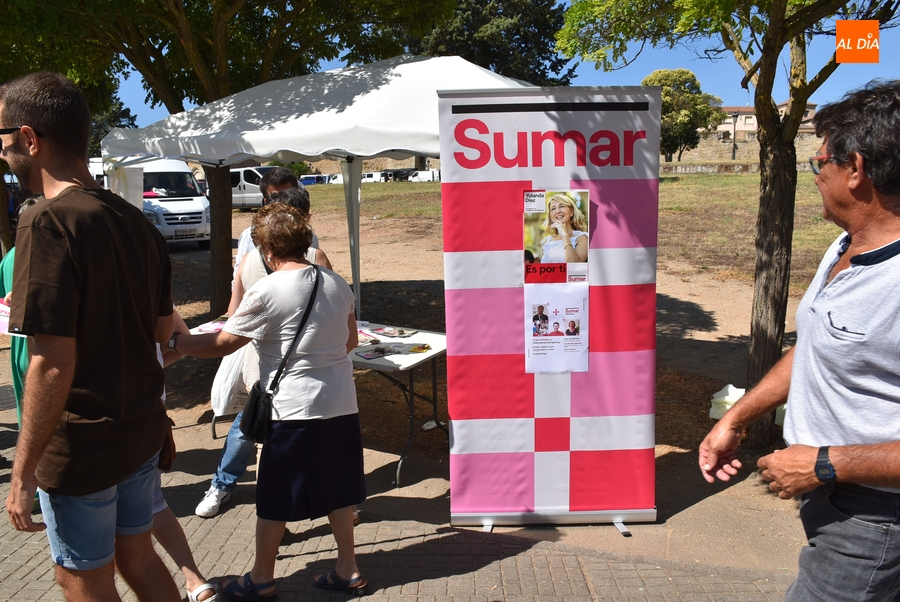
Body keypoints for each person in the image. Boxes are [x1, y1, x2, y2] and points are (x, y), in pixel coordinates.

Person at [698, 80, 900, 601]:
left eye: (818, 165)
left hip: (875, 522)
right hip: (833, 504)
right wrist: (735, 419)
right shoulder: (846, 244)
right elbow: (815, 348)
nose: (814, 178)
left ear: (855, 169)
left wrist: (824, 463)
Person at [1, 73, 180, 600]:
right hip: (139, 430)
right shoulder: (138, 223)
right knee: (139, 557)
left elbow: (51, 362)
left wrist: (22, 470)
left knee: (81, 577)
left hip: (83, 447)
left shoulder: (45, 222)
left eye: (5, 142)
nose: (5, 155)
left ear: (32, 139)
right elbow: (163, 332)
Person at [175, 203, 367, 600]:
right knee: (340, 489)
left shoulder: (267, 289)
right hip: (340, 404)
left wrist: (179, 343)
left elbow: (225, 342)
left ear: (266, 249)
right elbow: (351, 341)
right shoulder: (337, 283)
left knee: (275, 495)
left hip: (293, 411)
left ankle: (261, 578)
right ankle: (347, 568)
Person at [196, 189, 333, 519]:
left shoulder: (251, 260)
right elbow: (332, 313)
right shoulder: (316, 258)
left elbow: (233, 314)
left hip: (269, 367)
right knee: (278, 432)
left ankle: (224, 487)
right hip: (297, 368)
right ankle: (299, 502)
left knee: (253, 427)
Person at [232, 167, 320, 280]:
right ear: (266, 201)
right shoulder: (249, 236)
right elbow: (239, 278)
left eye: (288, 194)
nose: (283, 203)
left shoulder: (310, 236)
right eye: (275, 197)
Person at [540, 194, 588, 263]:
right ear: (550, 216)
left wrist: (565, 236)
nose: (557, 211)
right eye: (553, 209)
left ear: (571, 211)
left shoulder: (582, 238)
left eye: (562, 206)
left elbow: (574, 265)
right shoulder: (547, 242)